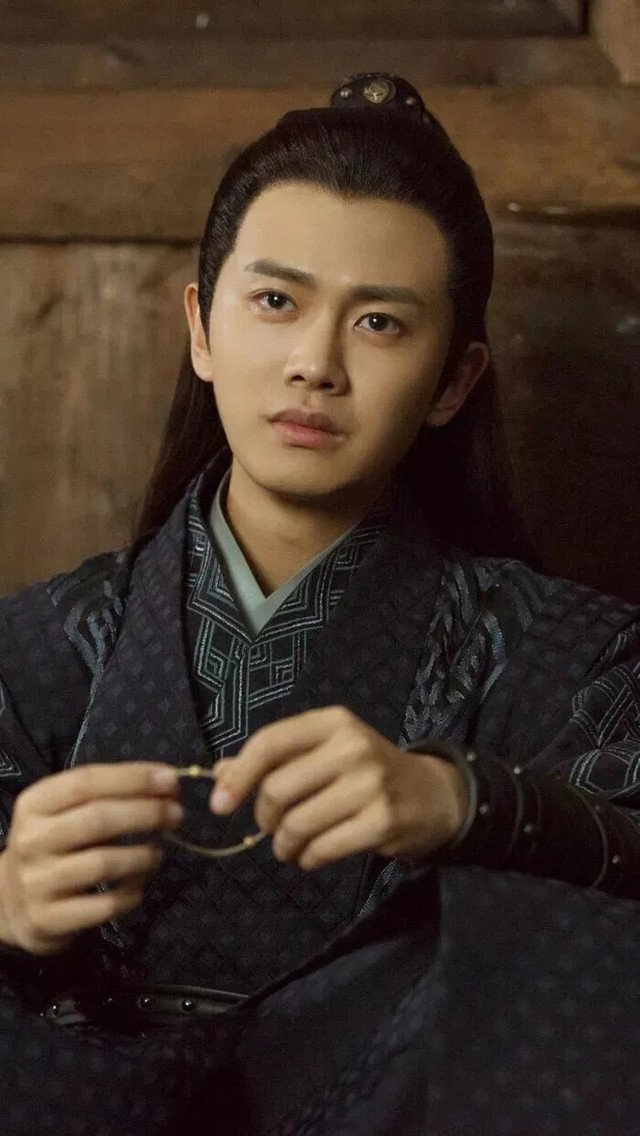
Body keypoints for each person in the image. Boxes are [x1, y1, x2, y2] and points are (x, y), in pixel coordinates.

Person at [0, 72, 639, 1136]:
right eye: (275, 302)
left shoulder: (566, 657)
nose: (315, 364)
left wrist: (467, 805)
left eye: (380, 322)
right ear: (202, 329)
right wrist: (9, 900)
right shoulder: (32, 653)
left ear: (453, 380)